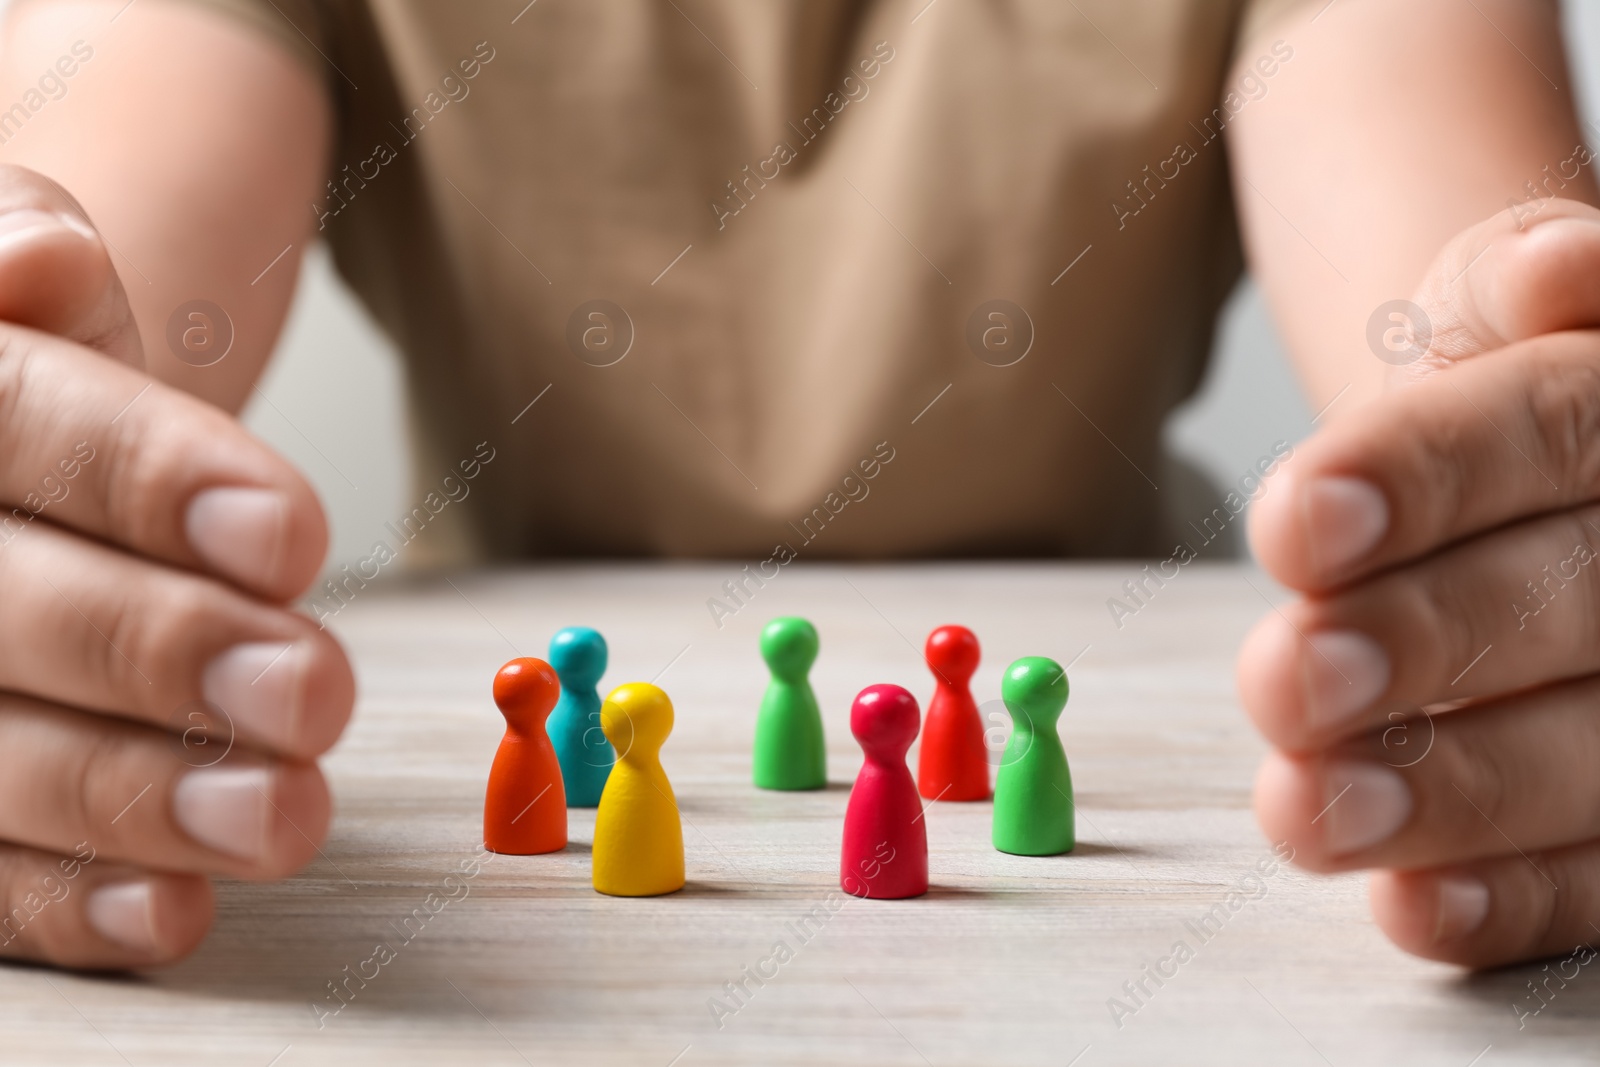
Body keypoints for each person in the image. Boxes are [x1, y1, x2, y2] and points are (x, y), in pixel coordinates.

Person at [0, 0, 1591, 972]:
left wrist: (1520, 467)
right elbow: (94, 300)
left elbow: (1459, 338)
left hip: (1154, 722)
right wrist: (47, 427)